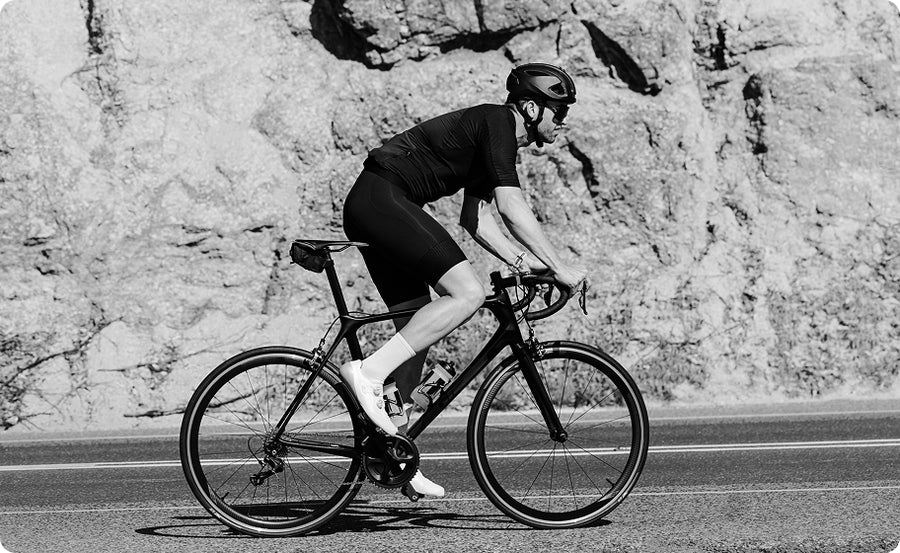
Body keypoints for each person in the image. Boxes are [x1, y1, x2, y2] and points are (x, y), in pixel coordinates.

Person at [341, 62, 588, 498]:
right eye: (558, 111)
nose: (561, 122)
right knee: (467, 292)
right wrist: (561, 266)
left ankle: (393, 455)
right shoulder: (497, 121)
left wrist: (527, 262)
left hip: (375, 204)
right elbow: (511, 206)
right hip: (382, 199)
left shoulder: (495, 141)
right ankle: (368, 374)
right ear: (530, 107)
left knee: (416, 333)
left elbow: (476, 220)